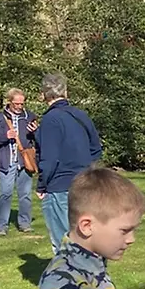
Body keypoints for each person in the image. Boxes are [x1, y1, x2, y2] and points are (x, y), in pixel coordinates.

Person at [35, 72, 103, 254]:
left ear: (45, 94)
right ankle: (92, 278)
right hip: (85, 184)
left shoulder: (51, 119)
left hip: (60, 186)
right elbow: (96, 149)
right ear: (65, 92)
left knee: (64, 242)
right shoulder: (81, 115)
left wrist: (41, 186)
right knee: (86, 238)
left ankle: (69, 280)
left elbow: (49, 158)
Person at [0, 88, 37, 236]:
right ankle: (2, 226)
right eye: (16, 104)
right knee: (5, 194)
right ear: (9, 102)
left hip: (24, 162)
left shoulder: (30, 117)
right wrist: (5, 136)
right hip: (6, 161)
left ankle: (25, 223)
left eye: (22, 103)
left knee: (26, 195)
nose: (20, 106)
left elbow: (37, 140)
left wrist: (36, 132)